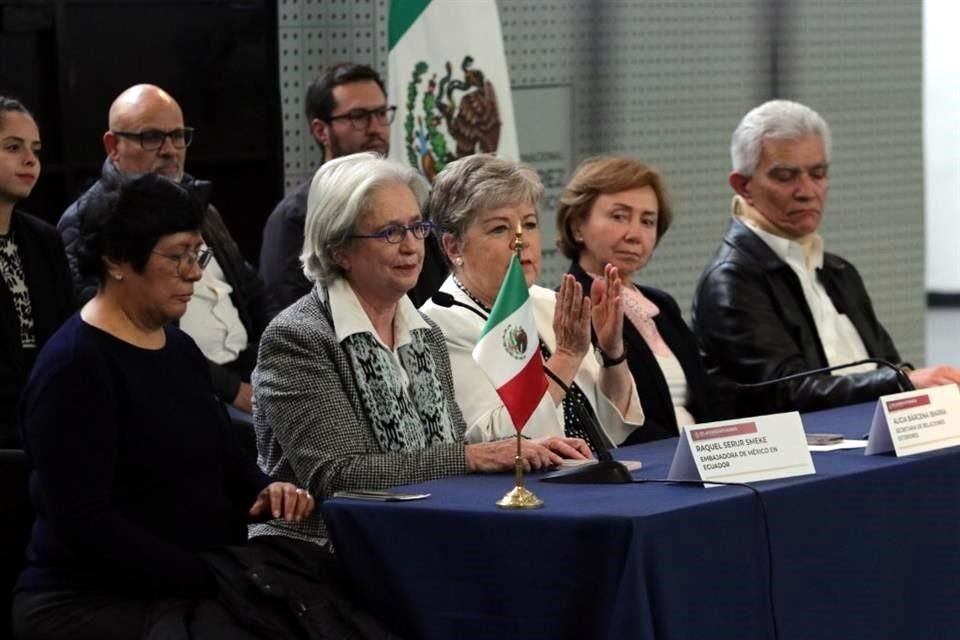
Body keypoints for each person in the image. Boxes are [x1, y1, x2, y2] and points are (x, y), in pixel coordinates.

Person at [12, 173, 314, 640]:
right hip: (94, 599)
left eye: (198, 255)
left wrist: (266, 491)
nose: (194, 272)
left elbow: (226, 459)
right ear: (116, 259)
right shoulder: (75, 367)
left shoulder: (176, 348)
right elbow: (84, 525)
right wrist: (208, 575)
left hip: (189, 578)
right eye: (177, 256)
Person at [252, 152, 589, 546]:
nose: (411, 247)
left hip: (427, 536)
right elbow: (336, 474)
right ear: (337, 248)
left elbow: (447, 449)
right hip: (332, 552)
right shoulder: (299, 336)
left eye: (416, 228)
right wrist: (475, 457)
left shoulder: (423, 332)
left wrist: (522, 450)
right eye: (390, 233)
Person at [693, 99, 960, 415]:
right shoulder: (732, 279)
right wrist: (901, 382)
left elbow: (889, 364)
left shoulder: (839, 271)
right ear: (744, 185)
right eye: (785, 176)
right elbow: (785, 394)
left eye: (817, 174)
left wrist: (917, 383)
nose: (807, 191)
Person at [57, 84, 267, 415]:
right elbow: (126, 333)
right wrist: (231, 390)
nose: (170, 149)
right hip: (182, 385)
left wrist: (276, 361)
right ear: (113, 146)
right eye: (152, 137)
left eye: (178, 135)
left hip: (250, 370)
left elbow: (253, 292)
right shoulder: (88, 222)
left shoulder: (203, 210)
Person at [421, 154, 645, 446]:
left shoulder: (549, 303)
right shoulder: (439, 326)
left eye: (529, 224)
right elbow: (499, 439)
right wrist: (565, 356)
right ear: (453, 247)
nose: (521, 240)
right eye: (499, 228)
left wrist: (612, 352)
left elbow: (612, 428)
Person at [556, 156, 728, 442]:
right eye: (619, 216)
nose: (635, 234)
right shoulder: (566, 308)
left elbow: (708, 400)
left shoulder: (662, 304)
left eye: (648, 221)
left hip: (706, 459)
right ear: (577, 226)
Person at [259, 63, 446, 316]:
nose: (375, 127)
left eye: (381, 113)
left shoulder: (413, 201)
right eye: (358, 116)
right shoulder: (293, 219)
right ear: (320, 131)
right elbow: (288, 314)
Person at [0, 97, 74, 447]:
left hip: (48, 408)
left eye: (36, 149)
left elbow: (64, 334)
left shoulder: (45, 239)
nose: (30, 160)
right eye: (13, 147)